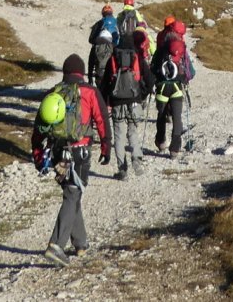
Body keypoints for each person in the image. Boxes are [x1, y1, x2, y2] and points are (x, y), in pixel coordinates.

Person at [31, 54, 111, 265]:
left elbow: (39, 127)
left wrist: (38, 155)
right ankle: (55, 245)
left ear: (65, 72)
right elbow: (102, 119)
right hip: (80, 151)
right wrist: (106, 146)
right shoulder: (90, 92)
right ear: (81, 72)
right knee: (73, 193)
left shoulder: (54, 92)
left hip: (58, 151)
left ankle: (80, 243)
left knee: (72, 192)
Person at [103, 27, 150, 178]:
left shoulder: (113, 57)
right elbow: (150, 79)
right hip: (135, 100)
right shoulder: (137, 57)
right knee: (133, 132)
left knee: (119, 135)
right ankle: (136, 159)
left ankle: (122, 169)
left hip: (117, 101)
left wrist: (107, 102)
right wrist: (142, 95)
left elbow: (104, 83)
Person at [151, 17, 196, 157]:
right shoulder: (181, 50)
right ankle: (174, 149)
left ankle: (161, 141)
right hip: (177, 87)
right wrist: (184, 79)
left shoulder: (161, 49)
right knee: (177, 117)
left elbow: (152, 68)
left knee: (161, 115)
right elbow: (191, 72)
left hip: (162, 87)